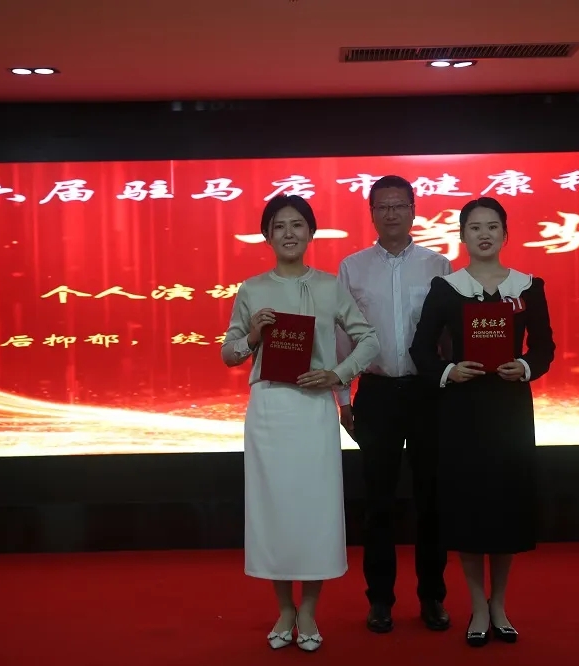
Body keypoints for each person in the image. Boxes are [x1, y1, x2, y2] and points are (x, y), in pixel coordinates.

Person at [221, 194, 379, 652]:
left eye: (297, 225)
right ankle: (284, 609)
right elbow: (229, 353)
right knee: (274, 510)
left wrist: (337, 375)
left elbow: (368, 340)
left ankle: (308, 609)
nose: (288, 233)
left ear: (311, 233)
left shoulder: (329, 286)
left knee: (314, 510)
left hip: (313, 410)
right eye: (279, 226)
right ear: (267, 236)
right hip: (270, 410)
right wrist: (253, 335)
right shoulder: (252, 289)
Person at [408, 196, 555, 647]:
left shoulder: (527, 287)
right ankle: (476, 605)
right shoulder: (446, 288)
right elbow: (420, 350)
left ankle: (499, 605)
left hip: (509, 409)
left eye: (492, 226)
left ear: (505, 234)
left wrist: (524, 366)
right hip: (462, 411)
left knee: (505, 507)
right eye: (475, 227)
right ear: (462, 236)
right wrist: (450, 371)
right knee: (469, 508)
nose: (484, 234)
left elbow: (544, 348)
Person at [335, 175, 453, 634]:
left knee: (432, 500)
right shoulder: (352, 268)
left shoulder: (438, 265)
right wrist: (343, 397)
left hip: (428, 393)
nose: (391, 213)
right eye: (382, 206)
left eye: (399, 205)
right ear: (371, 213)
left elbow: (448, 336)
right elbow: (342, 336)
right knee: (378, 502)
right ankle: (380, 599)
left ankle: (432, 597)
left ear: (413, 211)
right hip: (377, 393)